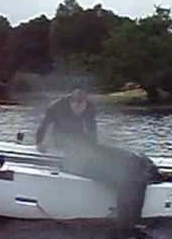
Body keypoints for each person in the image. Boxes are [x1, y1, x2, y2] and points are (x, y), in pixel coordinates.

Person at [36, 88, 157, 228]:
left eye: (81, 105)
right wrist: (40, 142)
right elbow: (44, 126)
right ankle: (127, 223)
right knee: (124, 176)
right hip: (64, 143)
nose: (78, 108)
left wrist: (95, 149)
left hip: (83, 143)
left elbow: (92, 130)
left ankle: (138, 166)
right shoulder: (56, 107)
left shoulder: (90, 108)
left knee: (128, 158)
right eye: (75, 105)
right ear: (70, 102)